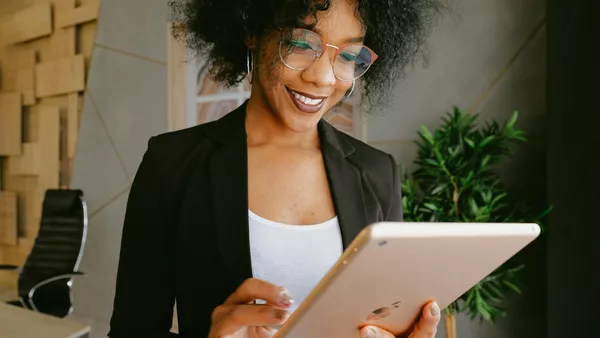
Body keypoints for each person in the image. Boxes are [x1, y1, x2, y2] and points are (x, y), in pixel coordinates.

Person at [108, 0, 444, 337]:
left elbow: (383, 316)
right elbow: (132, 330)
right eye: (300, 44)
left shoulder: (376, 172)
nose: (323, 78)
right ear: (253, 32)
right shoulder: (173, 163)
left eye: (348, 55)